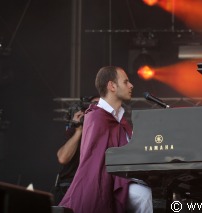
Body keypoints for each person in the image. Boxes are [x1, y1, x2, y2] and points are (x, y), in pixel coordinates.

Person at [58, 66, 153, 212]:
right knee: (143, 195)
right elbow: (94, 165)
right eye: (126, 82)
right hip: (102, 184)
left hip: (122, 179)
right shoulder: (96, 117)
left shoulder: (121, 121)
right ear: (112, 86)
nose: (131, 85)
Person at [52, 96, 99, 205]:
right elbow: (63, 158)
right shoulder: (76, 130)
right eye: (93, 105)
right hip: (68, 188)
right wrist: (79, 131)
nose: (96, 108)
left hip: (91, 190)